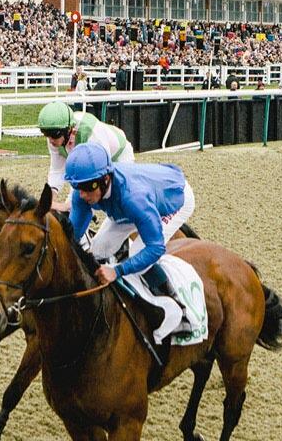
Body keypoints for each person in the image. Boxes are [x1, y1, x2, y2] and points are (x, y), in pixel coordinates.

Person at [64, 143, 196, 342]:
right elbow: (72, 235)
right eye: (77, 187)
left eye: (88, 187)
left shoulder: (134, 198)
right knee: (97, 250)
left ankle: (180, 312)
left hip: (173, 200)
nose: (82, 194)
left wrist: (117, 271)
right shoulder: (85, 189)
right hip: (124, 205)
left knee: (138, 255)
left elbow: (155, 247)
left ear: (105, 179)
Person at [38, 101, 135, 211]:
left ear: (69, 129)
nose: (50, 140)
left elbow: (89, 176)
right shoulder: (57, 135)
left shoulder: (91, 134)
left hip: (119, 157)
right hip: (93, 157)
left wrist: (68, 205)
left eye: (54, 134)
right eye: (45, 133)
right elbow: (57, 169)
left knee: (114, 202)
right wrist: (50, 199)